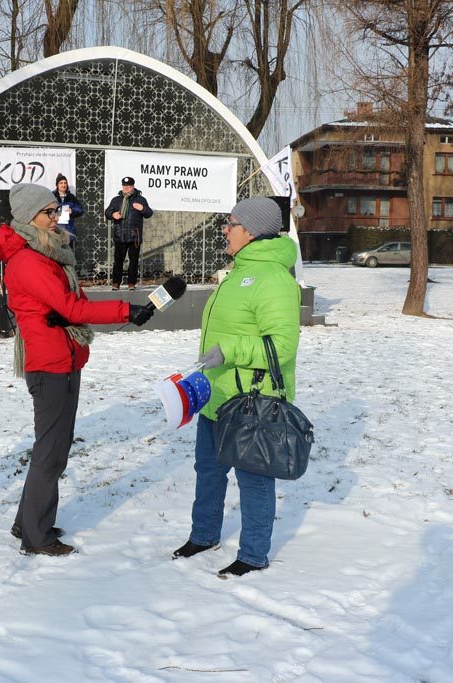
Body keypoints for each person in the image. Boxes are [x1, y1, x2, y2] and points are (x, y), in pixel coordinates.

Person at [0, 183, 155, 556]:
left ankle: (26, 522)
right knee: (51, 452)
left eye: (56, 210)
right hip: (50, 365)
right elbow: (72, 310)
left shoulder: (46, 253)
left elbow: (74, 302)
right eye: (48, 212)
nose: (56, 217)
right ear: (30, 217)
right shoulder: (30, 261)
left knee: (52, 449)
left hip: (64, 357)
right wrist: (126, 310)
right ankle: (37, 537)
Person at [172, 197, 301, 578]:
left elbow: (282, 345)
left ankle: (254, 554)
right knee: (208, 471)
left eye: (231, 224)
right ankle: (204, 535)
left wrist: (228, 350)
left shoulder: (274, 278)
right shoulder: (239, 271)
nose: (225, 230)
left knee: (254, 481)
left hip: (252, 401)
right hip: (217, 396)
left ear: (252, 231)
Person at [104, 176, 153, 290]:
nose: (126, 188)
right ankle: (116, 282)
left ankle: (131, 283)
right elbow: (107, 212)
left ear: (133, 186)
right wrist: (112, 215)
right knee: (118, 261)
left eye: (129, 186)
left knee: (134, 261)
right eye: (125, 186)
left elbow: (149, 213)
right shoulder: (116, 200)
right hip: (120, 234)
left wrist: (142, 208)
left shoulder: (140, 199)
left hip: (134, 235)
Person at [52, 173, 84, 246]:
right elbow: (45, 209)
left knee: (68, 253)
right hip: (55, 229)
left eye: (65, 183)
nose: (63, 185)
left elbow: (80, 210)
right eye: (61, 183)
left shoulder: (71, 197)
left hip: (68, 230)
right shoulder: (51, 196)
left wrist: (72, 211)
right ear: (57, 185)